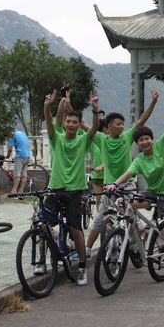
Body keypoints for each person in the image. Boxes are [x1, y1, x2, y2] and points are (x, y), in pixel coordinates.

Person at [106, 98, 164, 287]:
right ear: (137, 144)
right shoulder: (140, 159)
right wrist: (114, 184)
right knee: (129, 207)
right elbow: (128, 173)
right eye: (141, 140)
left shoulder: (162, 145)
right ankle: (133, 235)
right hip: (152, 192)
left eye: (147, 138)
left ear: (151, 139)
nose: (145, 142)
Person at [82, 87, 160, 259]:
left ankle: (134, 239)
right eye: (118, 124)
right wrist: (91, 109)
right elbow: (88, 126)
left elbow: (141, 120)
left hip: (127, 184)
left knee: (129, 216)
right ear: (108, 127)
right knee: (100, 218)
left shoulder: (126, 137)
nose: (122, 126)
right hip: (110, 186)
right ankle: (87, 249)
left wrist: (153, 102)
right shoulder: (101, 139)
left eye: (123, 124)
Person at [44, 89, 99, 286]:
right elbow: (51, 123)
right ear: (64, 123)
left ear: (78, 125)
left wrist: (94, 110)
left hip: (75, 190)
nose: (71, 124)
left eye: (75, 122)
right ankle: (42, 262)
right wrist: (47, 105)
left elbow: (93, 130)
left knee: (76, 230)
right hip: (55, 187)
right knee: (43, 225)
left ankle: (82, 268)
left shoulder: (82, 140)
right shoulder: (56, 138)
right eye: (68, 121)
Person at [6, 129, 32, 194]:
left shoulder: (11, 135)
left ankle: (14, 190)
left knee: (17, 174)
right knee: (24, 175)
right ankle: (21, 191)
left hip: (20, 156)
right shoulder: (22, 133)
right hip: (28, 156)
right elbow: (22, 145)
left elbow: (10, 149)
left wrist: (8, 156)